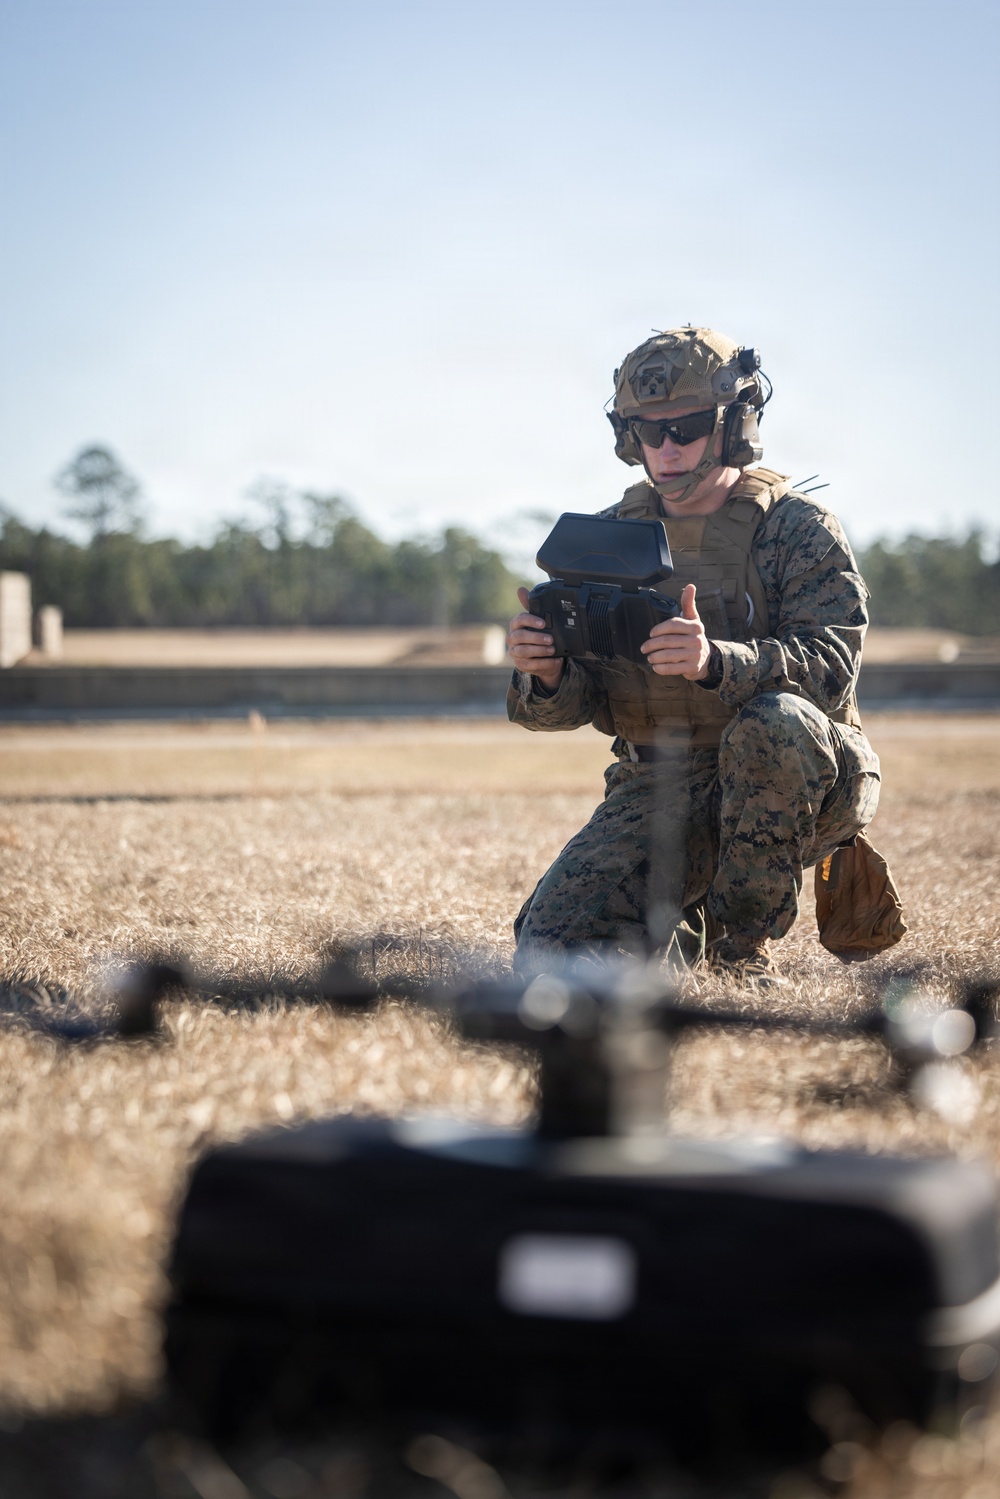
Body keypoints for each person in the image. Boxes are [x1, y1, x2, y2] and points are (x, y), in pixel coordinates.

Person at [505, 326, 881, 985]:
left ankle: (741, 953)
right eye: (650, 431)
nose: (668, 447)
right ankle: (677, 925)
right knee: (549, 948)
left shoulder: (795, 529)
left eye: (688, 426)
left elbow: (830, 666)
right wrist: (547, 673)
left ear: (735, 425)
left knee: (777, 723)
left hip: (802, 774)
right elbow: (571, 706)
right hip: (661, 781)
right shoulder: (608, 538)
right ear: (629, 437)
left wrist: (717, 663)